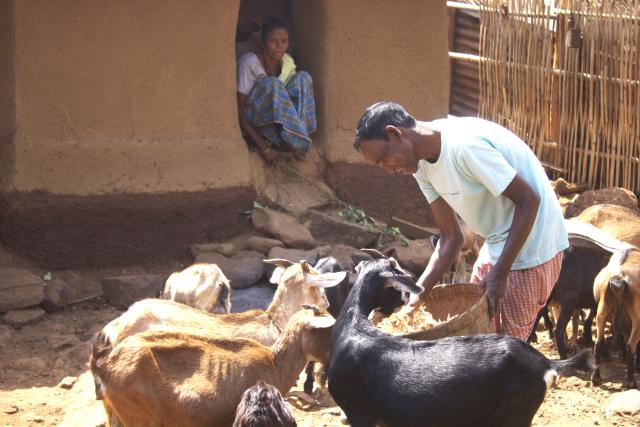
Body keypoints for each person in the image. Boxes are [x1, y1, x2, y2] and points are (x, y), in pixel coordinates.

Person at [353, 101, 568, 340]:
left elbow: (529, 200)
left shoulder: (464, 147)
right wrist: (416, 297)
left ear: (395, 134)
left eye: (384, 159)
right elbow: (450, 238)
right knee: (474, 335)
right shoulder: (420, 165)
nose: (388, 169)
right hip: (498, 240)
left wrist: (499, 274)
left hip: (535, 244)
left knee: (505, 351)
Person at [236, 16, 316, 164]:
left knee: (303, 77)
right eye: (273, 41)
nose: (279, 46)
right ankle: (278, 142)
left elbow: (288, 105)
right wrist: (265, 148)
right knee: (273, 84)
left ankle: (295, 141)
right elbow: (239, 112)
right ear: (263, 42)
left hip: (276, 125)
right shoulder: (249, 63)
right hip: (254, 122)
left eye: (284, 41)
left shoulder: (287, 63)